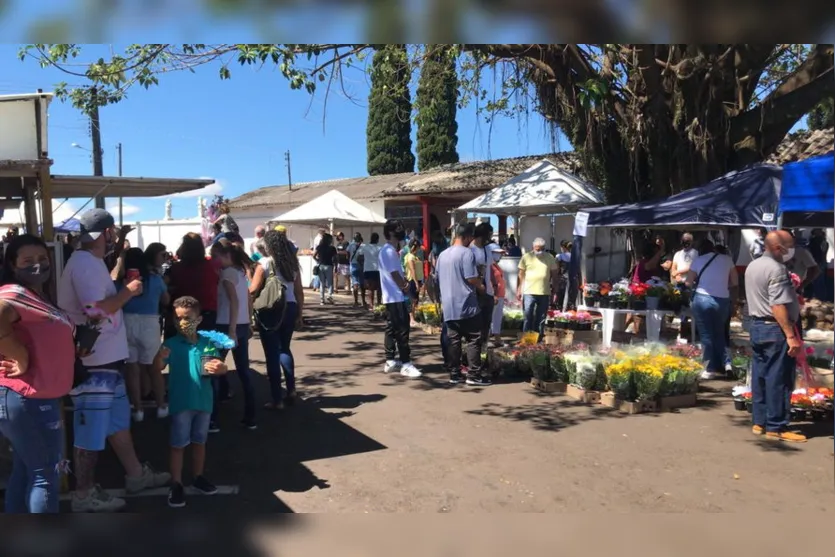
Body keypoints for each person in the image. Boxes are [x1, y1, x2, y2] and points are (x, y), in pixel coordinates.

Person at [58, 208, 170, 513]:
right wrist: (128, 293)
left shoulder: (88, 262)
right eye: (113, 233)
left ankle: (135, 475)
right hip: (95, 365)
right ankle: (83, 494)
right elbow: (95, 310)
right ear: (105, 233)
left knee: (117, 424)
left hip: (106, 360)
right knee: (91, 432)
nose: (115, 238)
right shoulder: (84, 264)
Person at [0, 234, 76, 513]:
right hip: (25, 397)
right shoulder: (13, 293)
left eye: (42, 259)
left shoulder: (36, 297)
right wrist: (19, 355)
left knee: (27, 471)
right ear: (12, 264)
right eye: (28, 261)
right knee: (46, 473)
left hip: (35, 397)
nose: (37, 266)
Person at [154, 296, 227, 508]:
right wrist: (159, 358)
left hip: (203, 402)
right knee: (178, 445)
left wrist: (220, 369)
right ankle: (176, 483)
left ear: (199, 319)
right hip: (181, 403)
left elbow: (219, 366)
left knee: (199, 442)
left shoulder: (207, 343)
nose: (182, 323)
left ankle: (198, 477)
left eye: (187, 318)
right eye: (177, 319)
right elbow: (157, 367)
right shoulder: (171, 344)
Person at [744, 231, 805, 443]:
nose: (793, 249)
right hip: (774, 328)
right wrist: (790, 335)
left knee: (760, 375)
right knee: (779, 377)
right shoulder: (777, 269)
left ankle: (759, 422)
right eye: (791, 245)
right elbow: (777, 305)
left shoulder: (753, 265)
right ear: (779, 248)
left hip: (757, 326)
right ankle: (777, 425)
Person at [250, 229, 304, 410]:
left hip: (272, 310)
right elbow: (299, 292)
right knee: (285, 348)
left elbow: (253, 290)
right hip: (291, 307)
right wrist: (300, 314)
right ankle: (291, 389)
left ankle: (276, 399)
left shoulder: (264, 263)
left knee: (271, 353)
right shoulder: (293, 263)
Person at [114, 247, 170, 422]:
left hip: (127, 322)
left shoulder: (120, 283)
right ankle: (161, 406)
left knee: (132, 369)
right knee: (154, 368)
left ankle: (137, 410)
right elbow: (166, 300)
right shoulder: (155, 279)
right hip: (150, 322)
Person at [209, 239, 256, 432]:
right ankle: (251, 416)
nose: (214, 260)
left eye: (216, 257)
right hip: (241, 325)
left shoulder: (228, 273)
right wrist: (249, 322)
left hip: (226, 326)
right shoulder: (239, 272)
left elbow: (234, 301)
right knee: (244, 371)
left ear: (225, 255)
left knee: (212, 371)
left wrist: (231, 330)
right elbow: (247, 299)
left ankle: (213, 419)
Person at [437, 222, 489, 386]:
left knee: (454, 340)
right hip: (467, 304)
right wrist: (481, 286)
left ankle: (455, 373)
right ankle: (474, 374)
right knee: (474, 338)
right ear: (466, 237)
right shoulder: (467, 253)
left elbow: (436, 277)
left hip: (449, 305)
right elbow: (471, 277)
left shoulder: (442, 255)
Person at [686, 240, 738, 380]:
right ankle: (727, 364)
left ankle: (709, 368)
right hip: (722, 299)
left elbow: (688, 282)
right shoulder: (727, 259)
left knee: (706, 334)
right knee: (721, 333)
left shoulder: (698, 260)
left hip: (702, 298)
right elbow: (735, 282)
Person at [379, 219, 422, 378]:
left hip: (391, 296)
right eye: (398, 228)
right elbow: (395, 274)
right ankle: (406, 363)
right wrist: (406, 289)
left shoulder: (387, 250)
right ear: (390, 232)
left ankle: (390, 361)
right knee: (402, 330)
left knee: (391, 328)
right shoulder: (389, 251)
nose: (401, 231)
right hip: (395, 296)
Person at [166, 232, 221, 337]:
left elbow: (165, 285)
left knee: (179, 349)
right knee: (204, 349)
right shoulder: (212, 266)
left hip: (182, 314)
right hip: (207, 313)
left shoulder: (175, 268)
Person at [517, 237, 558, 339]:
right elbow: (520, 275)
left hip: (544, 292)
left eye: (541, 249)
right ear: (533, 247)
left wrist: (555, 290)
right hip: (528, 292)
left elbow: (555, 275)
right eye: (537, 249)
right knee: (528, 317)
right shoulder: (526, 257)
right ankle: (527, 339)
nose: (539, 251)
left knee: (541, 318)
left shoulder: (550, 258)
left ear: (545, 248)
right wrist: (518, 289)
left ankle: (538, 339)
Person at [470, 223, 498, 353]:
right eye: (489, 234)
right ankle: (474, 351)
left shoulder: (487, 249)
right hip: (475, 293)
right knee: (476, 325)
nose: (490, 237)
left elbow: (491, 269)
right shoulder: (470, 250)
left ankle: (483, 350)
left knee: (487, 323)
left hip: (488, 292)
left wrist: (495, 286)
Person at [358, 233, 382, 309]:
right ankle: (378, 303)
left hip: (367, 269)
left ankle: (371, 304)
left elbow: (359, 257)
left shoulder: (365, 247)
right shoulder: (380, 248)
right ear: (377, 239)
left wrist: (363, 263)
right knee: (379, 287)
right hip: (378, 269)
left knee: (370, 288)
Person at [404, 238, 425, 324]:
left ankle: (413, 316)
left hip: (418, 280)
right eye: (418, 247)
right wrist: (416, 283)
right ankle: (411, 319)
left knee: (416, 299)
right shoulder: (410, 257)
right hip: (412, 280)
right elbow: (412, 270)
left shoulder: (415, 257)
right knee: (412, 299)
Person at [489, 246, 507, 347]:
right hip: (494, 295)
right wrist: (494, 294)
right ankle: (485, 340)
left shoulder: (495, 265)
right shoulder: (489, 266)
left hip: (499, 295)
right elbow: (491, 281)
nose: (500, 255)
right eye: (497, 253)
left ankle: (497, 339)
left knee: (497, 318)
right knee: (490, 318)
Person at [314, 233, 337, 305]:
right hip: (329, 266)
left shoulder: (319, 247)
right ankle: (329, 295)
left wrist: (318, 261)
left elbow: (314, 255)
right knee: (330, 282)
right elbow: (335, 258)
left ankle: (322, 299)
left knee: (322, 283)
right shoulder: (332, 248)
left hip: (321, 265)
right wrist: (335, 266)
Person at [807, 228, 830, 301]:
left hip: (818, 262)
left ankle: (819, 297)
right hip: (818, 262)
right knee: (818, 281)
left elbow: (822, 252)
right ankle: (819, 297)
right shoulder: (821, 241)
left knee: (818, 281)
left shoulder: (819, 241)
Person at [347, 233, 364, 307]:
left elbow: (347, 253)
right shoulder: (363, 246)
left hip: (353, 265)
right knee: (362, 284)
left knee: (355, 284)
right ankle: (363, 301)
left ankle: (356, 301)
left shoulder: (350, 245)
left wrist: (349, 259)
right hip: (361, 266)